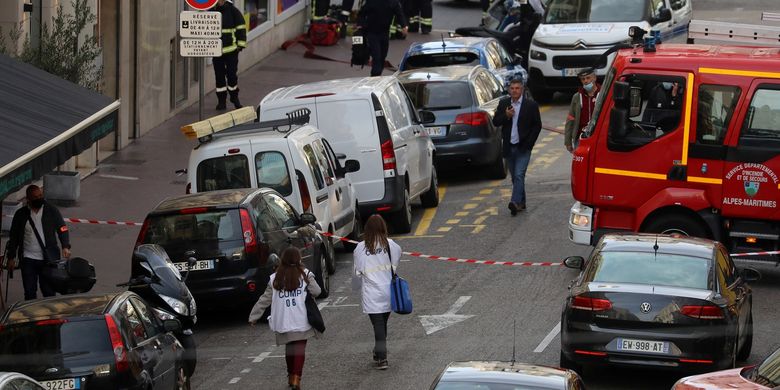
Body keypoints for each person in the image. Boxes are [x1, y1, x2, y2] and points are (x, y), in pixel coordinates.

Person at [249, 247, 321, 390]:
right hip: (302, 319)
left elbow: (264, 299)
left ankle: (290, 376)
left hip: (283, 320)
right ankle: (296, 379)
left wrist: (254, 316)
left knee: (290, 348)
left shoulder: (275, 278)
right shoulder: (305, 275)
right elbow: (317, 291)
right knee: (299, 349)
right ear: (299, 259)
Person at [6, 185, 71, 300]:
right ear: (28, 199)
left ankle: (50, 316)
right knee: (29, 292)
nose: (39, 198)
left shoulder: (51, 210)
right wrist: (11, 257)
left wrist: (65, 246)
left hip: (48, 259)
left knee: (49, 291)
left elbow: (62, 228)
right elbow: (14, 237)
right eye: (35, 197)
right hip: (28, 259)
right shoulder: (21, 214)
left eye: (40, 195)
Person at [353, 215, 402, 370]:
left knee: (378, 324)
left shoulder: (361, 248)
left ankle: (382, 357)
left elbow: (357, 272)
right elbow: (396, 259)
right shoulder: (390, 245)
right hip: (388, 291)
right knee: (382, 323)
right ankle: (378, 351)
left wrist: (355, 286)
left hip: (372, 293)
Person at [492, 79, 542, 216]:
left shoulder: (531, 105)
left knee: (519, 174)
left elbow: (537, 125)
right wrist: (506, 116)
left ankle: (514, 202)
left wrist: (529, 144)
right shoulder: (504, 104)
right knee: (515, 177)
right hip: (509, 146)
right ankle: (522, 202)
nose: (514, 90)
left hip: (523, 147)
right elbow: (495, 122)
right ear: (509, 90)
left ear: (522, 90)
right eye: (512, 88)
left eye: (517, 88)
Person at [357, 0, 408, 76]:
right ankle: (375, 77)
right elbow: (362, 13)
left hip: (384, 33)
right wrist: (361, 24)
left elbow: (399, 14)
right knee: (376, 56)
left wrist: (404, 26)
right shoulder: (372, 2)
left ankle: (377, 74)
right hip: (372, 33)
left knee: (382, 56)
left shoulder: (393, 2)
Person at [213, 0, 247, 111]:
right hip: (217, 52)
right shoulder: (212, 11)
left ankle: (234, 98)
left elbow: (241, 28)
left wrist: (240, 45)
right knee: (219, 77)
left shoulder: (233, 11)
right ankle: (221, 101)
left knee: (232, 76)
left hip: (232, 51)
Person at [564, 68, 601, 152]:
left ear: (594, 78)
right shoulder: (577, 97)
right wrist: (568, 141)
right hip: (580, 139)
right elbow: (570, 119)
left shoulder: (603, 95)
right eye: (583, 79)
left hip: (598, 139)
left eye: (588, 78)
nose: (586, 81)